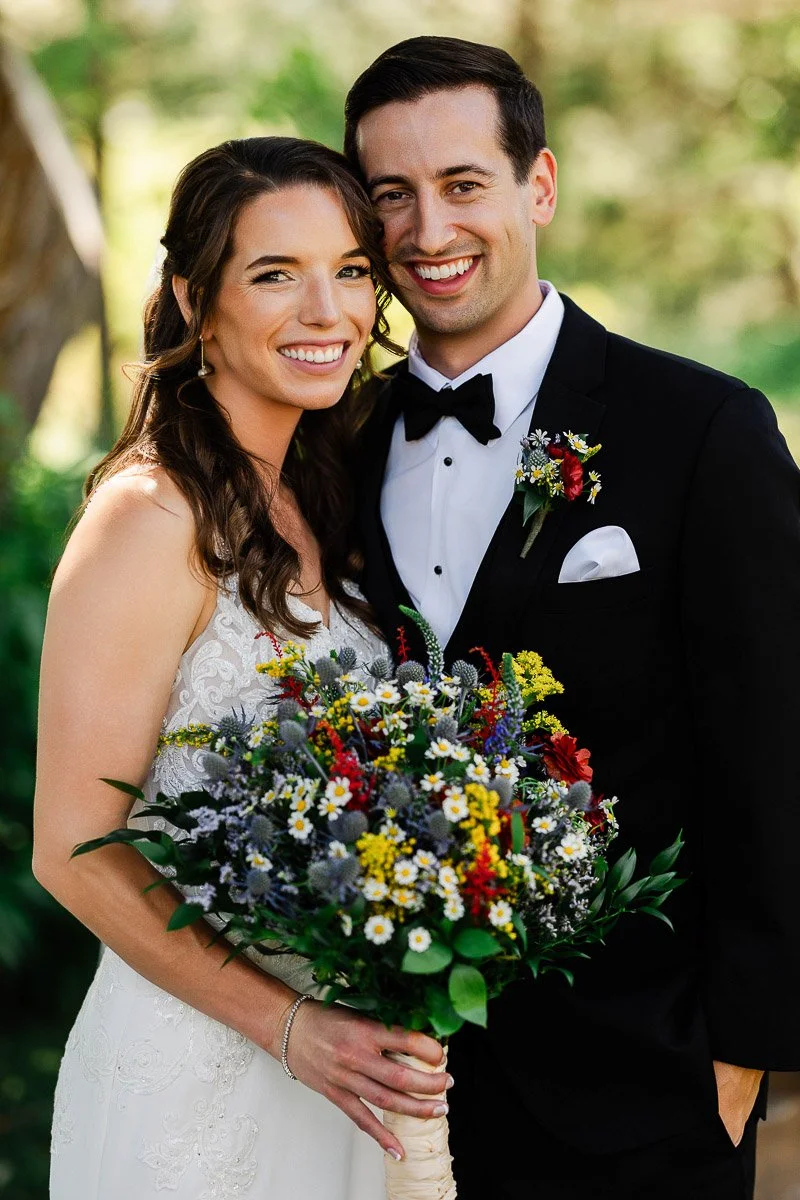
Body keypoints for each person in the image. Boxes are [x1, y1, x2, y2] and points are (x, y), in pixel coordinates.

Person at [345, 36, 800, 1200]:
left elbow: (774, 743)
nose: (427, 230)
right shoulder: (330, 446)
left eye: (461, 184)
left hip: (644, 1080)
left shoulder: (699, 428)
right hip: (383, 1090)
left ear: (536, 184)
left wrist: (746, 1045)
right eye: (390, 194)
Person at [33, 136, 450, 1200]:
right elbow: (73, 849)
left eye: (349, 270)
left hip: (343, 1070)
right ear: (195, 301)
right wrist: (289, 1026)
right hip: (199, 1077)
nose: (327, 311)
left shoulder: (322, 492)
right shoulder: (147, 515)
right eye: (274, 274)